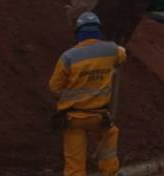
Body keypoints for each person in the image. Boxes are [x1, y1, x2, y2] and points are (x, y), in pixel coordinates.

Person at [48, 12, 126, 176]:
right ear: (99, 30)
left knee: (74, 165)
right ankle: (109, 172)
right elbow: (122, 55)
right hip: (99, 117)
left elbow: (54, 88)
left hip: (73, 119)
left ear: (79, 33)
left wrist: (70, 95)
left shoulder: (68, 56)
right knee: (110, 139)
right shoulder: (111, 49)